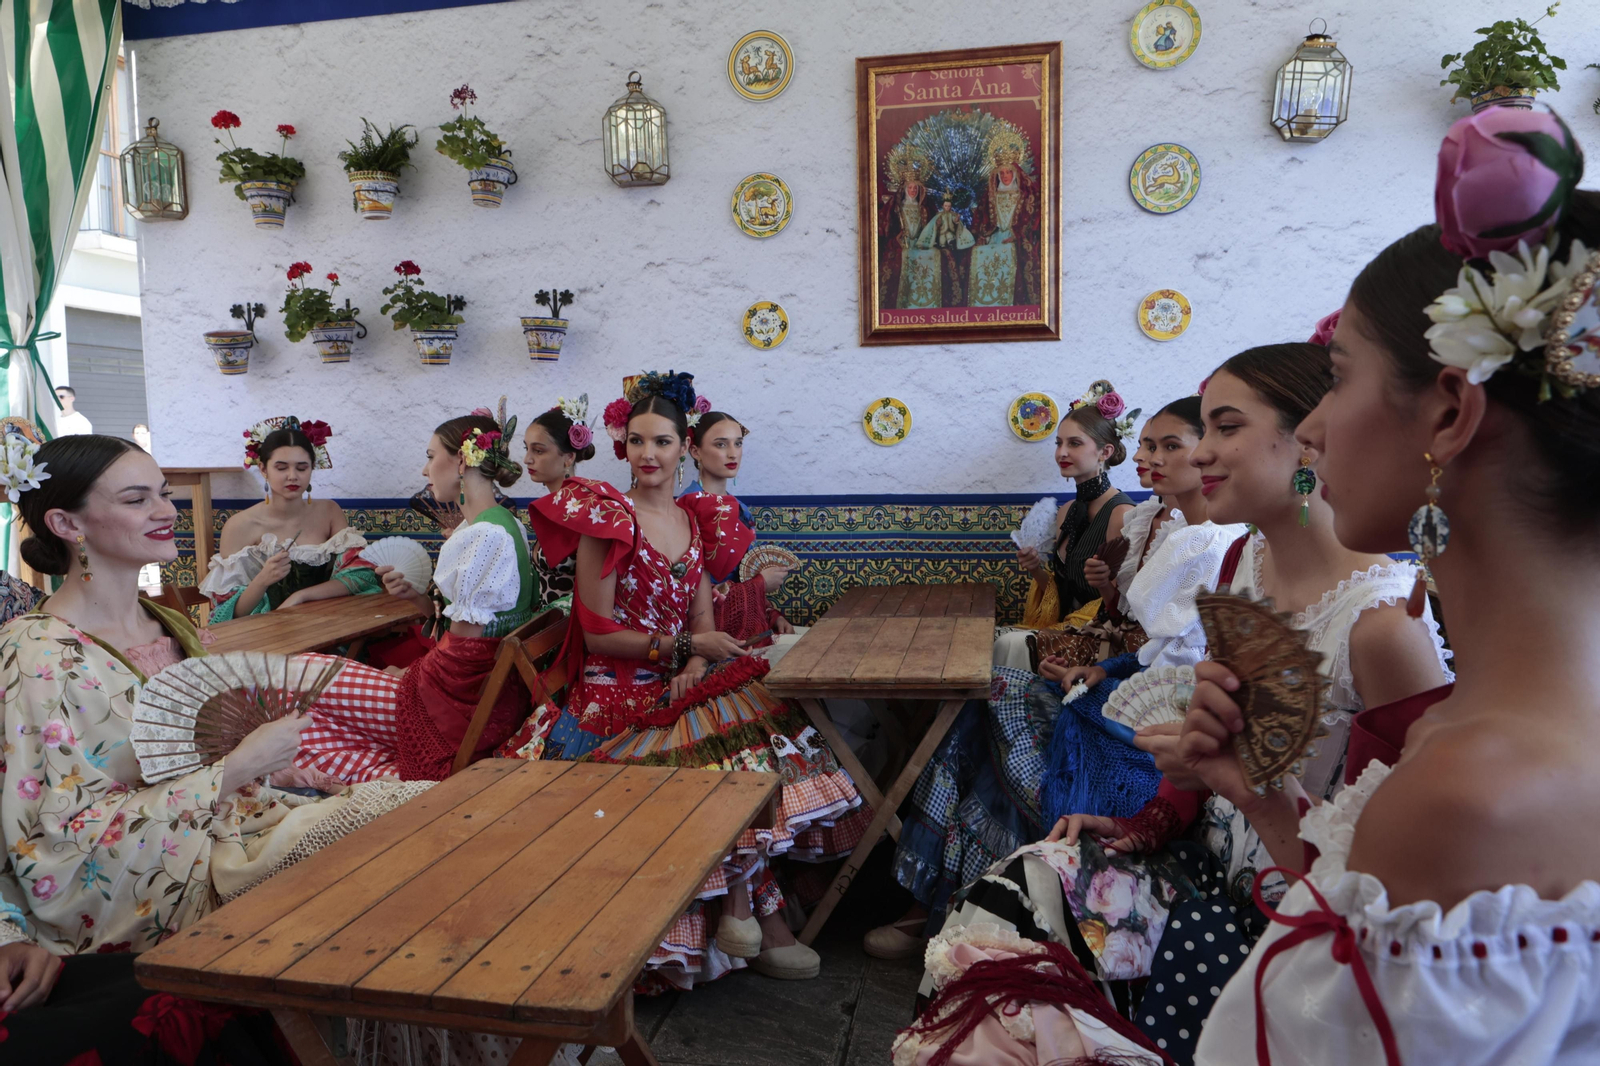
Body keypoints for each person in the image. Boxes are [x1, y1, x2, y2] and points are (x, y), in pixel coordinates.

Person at [1193, 108, 1600, 1064]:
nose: (1319, 427)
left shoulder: (1472, 797)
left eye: (1337, 376)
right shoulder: (1474, 742)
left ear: (1452, 411)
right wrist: (1264, 803)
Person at [933, 342, 1449, 1064]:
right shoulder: (1244, 564)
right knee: (1016, 889)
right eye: (1201, 430)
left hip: (1288, 920)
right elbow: (1204, 752)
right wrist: (1142, 824)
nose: (1201, 453)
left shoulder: (1383, 627)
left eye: (1225, 428)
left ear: (1312, 436)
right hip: (1202, 865)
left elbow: (1386, 881)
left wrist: (1249, 794)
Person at [0, 428, 426, 1063]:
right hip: (165, 873)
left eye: (164, 494)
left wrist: (275, 774)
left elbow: (202, 746)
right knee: (410, 833)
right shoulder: (33, 652)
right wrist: (237, 769)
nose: (166, 511)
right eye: (137, 499)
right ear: (66, 522)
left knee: (429, 815)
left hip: (245, 825)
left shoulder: (169, 621)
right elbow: (50, 837)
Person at [527, 371, 868, 987]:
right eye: (636, 442)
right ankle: (760, 924)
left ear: (685, 445)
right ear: (621, 446)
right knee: (723, 760)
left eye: (661, 442)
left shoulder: (693, 517)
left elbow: (703, 616)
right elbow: (599, 635)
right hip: (613, 695)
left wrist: (693, 666)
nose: (648, 455)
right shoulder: (609, 520)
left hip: (674, 680)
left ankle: (751, 919)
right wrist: (687, 649)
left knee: (760, 733)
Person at [864, 394, 1232, 961]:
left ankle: (963, 918)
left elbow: (1174, 668)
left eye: (1173, 446)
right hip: (1118, 689)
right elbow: (1145, 641)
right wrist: (1099, 667)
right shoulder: (1151, 523)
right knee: (985, 700)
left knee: (996, 700)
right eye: (1150, 446)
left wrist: (1101, 669)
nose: (1154, 459)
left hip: (1146, 738)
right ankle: (955, 912)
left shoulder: (1210, 541)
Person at [292, 404, 538, 783]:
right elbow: (471, 626)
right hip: (486, 699)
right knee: (308, 699)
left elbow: (465, 652)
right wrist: (414, 597)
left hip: (462, 709)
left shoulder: (482, 535)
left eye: (429, 457)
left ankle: (390, 785)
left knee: (301, 675)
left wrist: (408, 673)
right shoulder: (507, 525)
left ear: (461, 460)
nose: (425, 470)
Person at [994, 380, 1139, 670]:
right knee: (989, 637)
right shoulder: (1067, 512)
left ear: (1104, 452)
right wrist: (1035, 567)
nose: (1061, 453)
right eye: (1059, 443)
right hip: (1064, 627)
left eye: (1074, 443)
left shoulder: (1121, 514)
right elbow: (1061, 593)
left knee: (1005, 642)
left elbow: (1122, 608)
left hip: (1099, 639)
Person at [202, 416, 380, 621]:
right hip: (266, 635)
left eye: (302, 468)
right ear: (263, 469)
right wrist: (262, 580)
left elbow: (359, 577)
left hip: (326, 625)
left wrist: (301, 596)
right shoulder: (239, 526)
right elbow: (226, 615)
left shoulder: (329, 512)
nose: (292, 476)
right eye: (281, 467)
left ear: (312, 467)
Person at [677, 409, 801, 656]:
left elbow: (744, 574)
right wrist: (761, 584)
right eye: (721, 444)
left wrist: (771, 614)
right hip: (710, 633)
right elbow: (689, 590)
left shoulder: (740, 508)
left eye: (738, 443)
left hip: (748, 621)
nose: (733, 453)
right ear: (695, 451)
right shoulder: (686, 508)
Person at [522, 396, 597, 613]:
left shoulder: (583, 510)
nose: (527, 459)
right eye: (527, 448)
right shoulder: (550, 506)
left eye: (538, 450)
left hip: (571, 631)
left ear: (568, 457)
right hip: (545, 628)